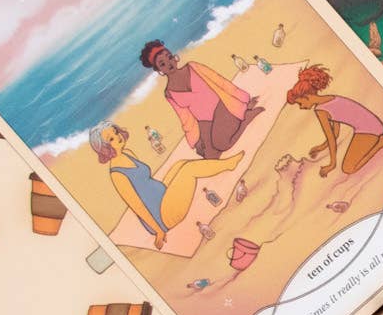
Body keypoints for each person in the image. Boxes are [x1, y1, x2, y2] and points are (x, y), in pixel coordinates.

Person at [88, 122, 243, 251]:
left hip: (163, 197)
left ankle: (225, 165)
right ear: (105, 147)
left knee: (180, 164)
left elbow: (146, 182)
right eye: (111, 138)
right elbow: (137, 206)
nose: (118, 137)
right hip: (161, 216)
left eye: (115, 132)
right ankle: (229, 165)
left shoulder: (127, 153)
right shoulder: (117, 174)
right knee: (188, 171)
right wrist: (158, 231)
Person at [139, 40, 262, 159]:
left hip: (222, 106)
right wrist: (195, 141)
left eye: (169, 57)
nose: (169, 63)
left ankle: (247, 118)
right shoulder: (169, 93)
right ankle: (236, 124)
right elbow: (185, 117)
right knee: (209, 155)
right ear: (159, 70)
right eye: (162, 64)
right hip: (204, 121)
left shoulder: (193, 67)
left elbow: (221, 82)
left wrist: (244, 100)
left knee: (222, 143)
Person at [286, 65, 383, 177]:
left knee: (348, 169)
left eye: (300, 103)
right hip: (376, 124)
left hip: (369, 131)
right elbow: (336, 133)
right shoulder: (331, 99)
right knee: (368, 134)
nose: (301, 107)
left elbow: (331, 139)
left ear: (306, 96)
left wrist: (332, 164)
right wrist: (320, 148)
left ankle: (382, 141)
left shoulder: (321, 111)